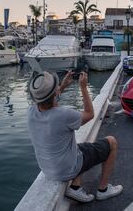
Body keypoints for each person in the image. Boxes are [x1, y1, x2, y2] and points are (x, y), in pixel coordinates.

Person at [27, 71, 122, 203]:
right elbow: (90, 114)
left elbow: (48, 100)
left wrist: (63, 86)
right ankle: (103, 190)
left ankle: (76, 188)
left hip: (48, 169)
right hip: (67, 170)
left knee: (81, 147)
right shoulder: (63, 115)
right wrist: (83, 87)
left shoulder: (31, 112)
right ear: (55, 93)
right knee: (111, 142)